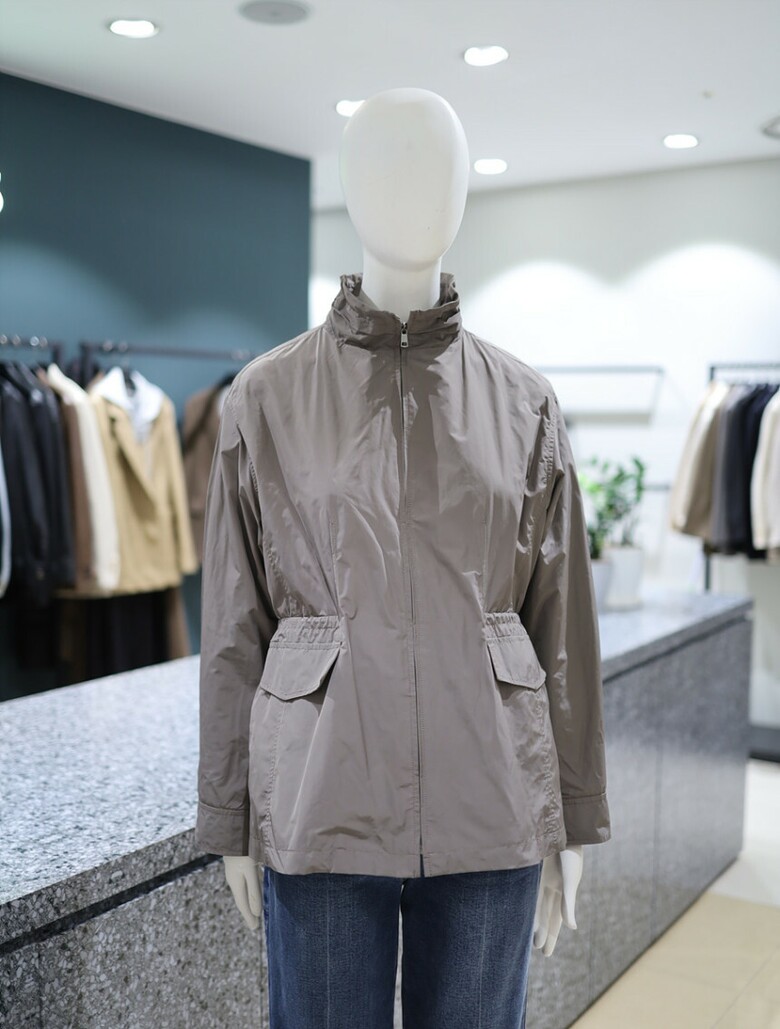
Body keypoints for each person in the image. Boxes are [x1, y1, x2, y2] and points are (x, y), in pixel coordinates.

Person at [196, 87, 610, 1028]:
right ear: (347, 187)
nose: (414, 192)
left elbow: (562, 625)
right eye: (387, 166)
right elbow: (233, 626)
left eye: (439, 168)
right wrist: (230, 814)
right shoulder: (266, 397)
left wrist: (574, 814)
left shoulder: (524, 402)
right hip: (322, 794)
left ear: (465, 192)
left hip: (492, 788)